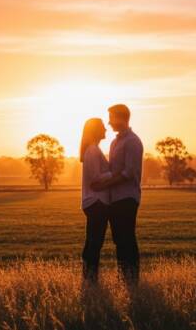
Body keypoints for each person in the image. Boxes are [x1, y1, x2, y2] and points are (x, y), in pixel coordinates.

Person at [92, 104, 143, 287]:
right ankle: (125, 280)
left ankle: (132, 281)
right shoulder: (115, 142)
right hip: (115, 199)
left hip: (127, 198)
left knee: (127, 239)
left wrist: (105, 184)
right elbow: (112, 171)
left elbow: (128, 173)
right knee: (119, 240)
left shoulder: (132, 142)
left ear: (122, 118)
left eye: (112, 117)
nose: (109, 122)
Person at [79, 117, 113, 284]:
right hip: (96, 202)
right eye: (102, 127)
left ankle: (89, 279)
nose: (106, 129)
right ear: (95, 131)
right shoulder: (92, 150)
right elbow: (95, 178)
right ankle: (91, 280)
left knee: (92, 242)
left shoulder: (93, 149)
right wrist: (114, 173)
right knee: (95, 243)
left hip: (94, 202)